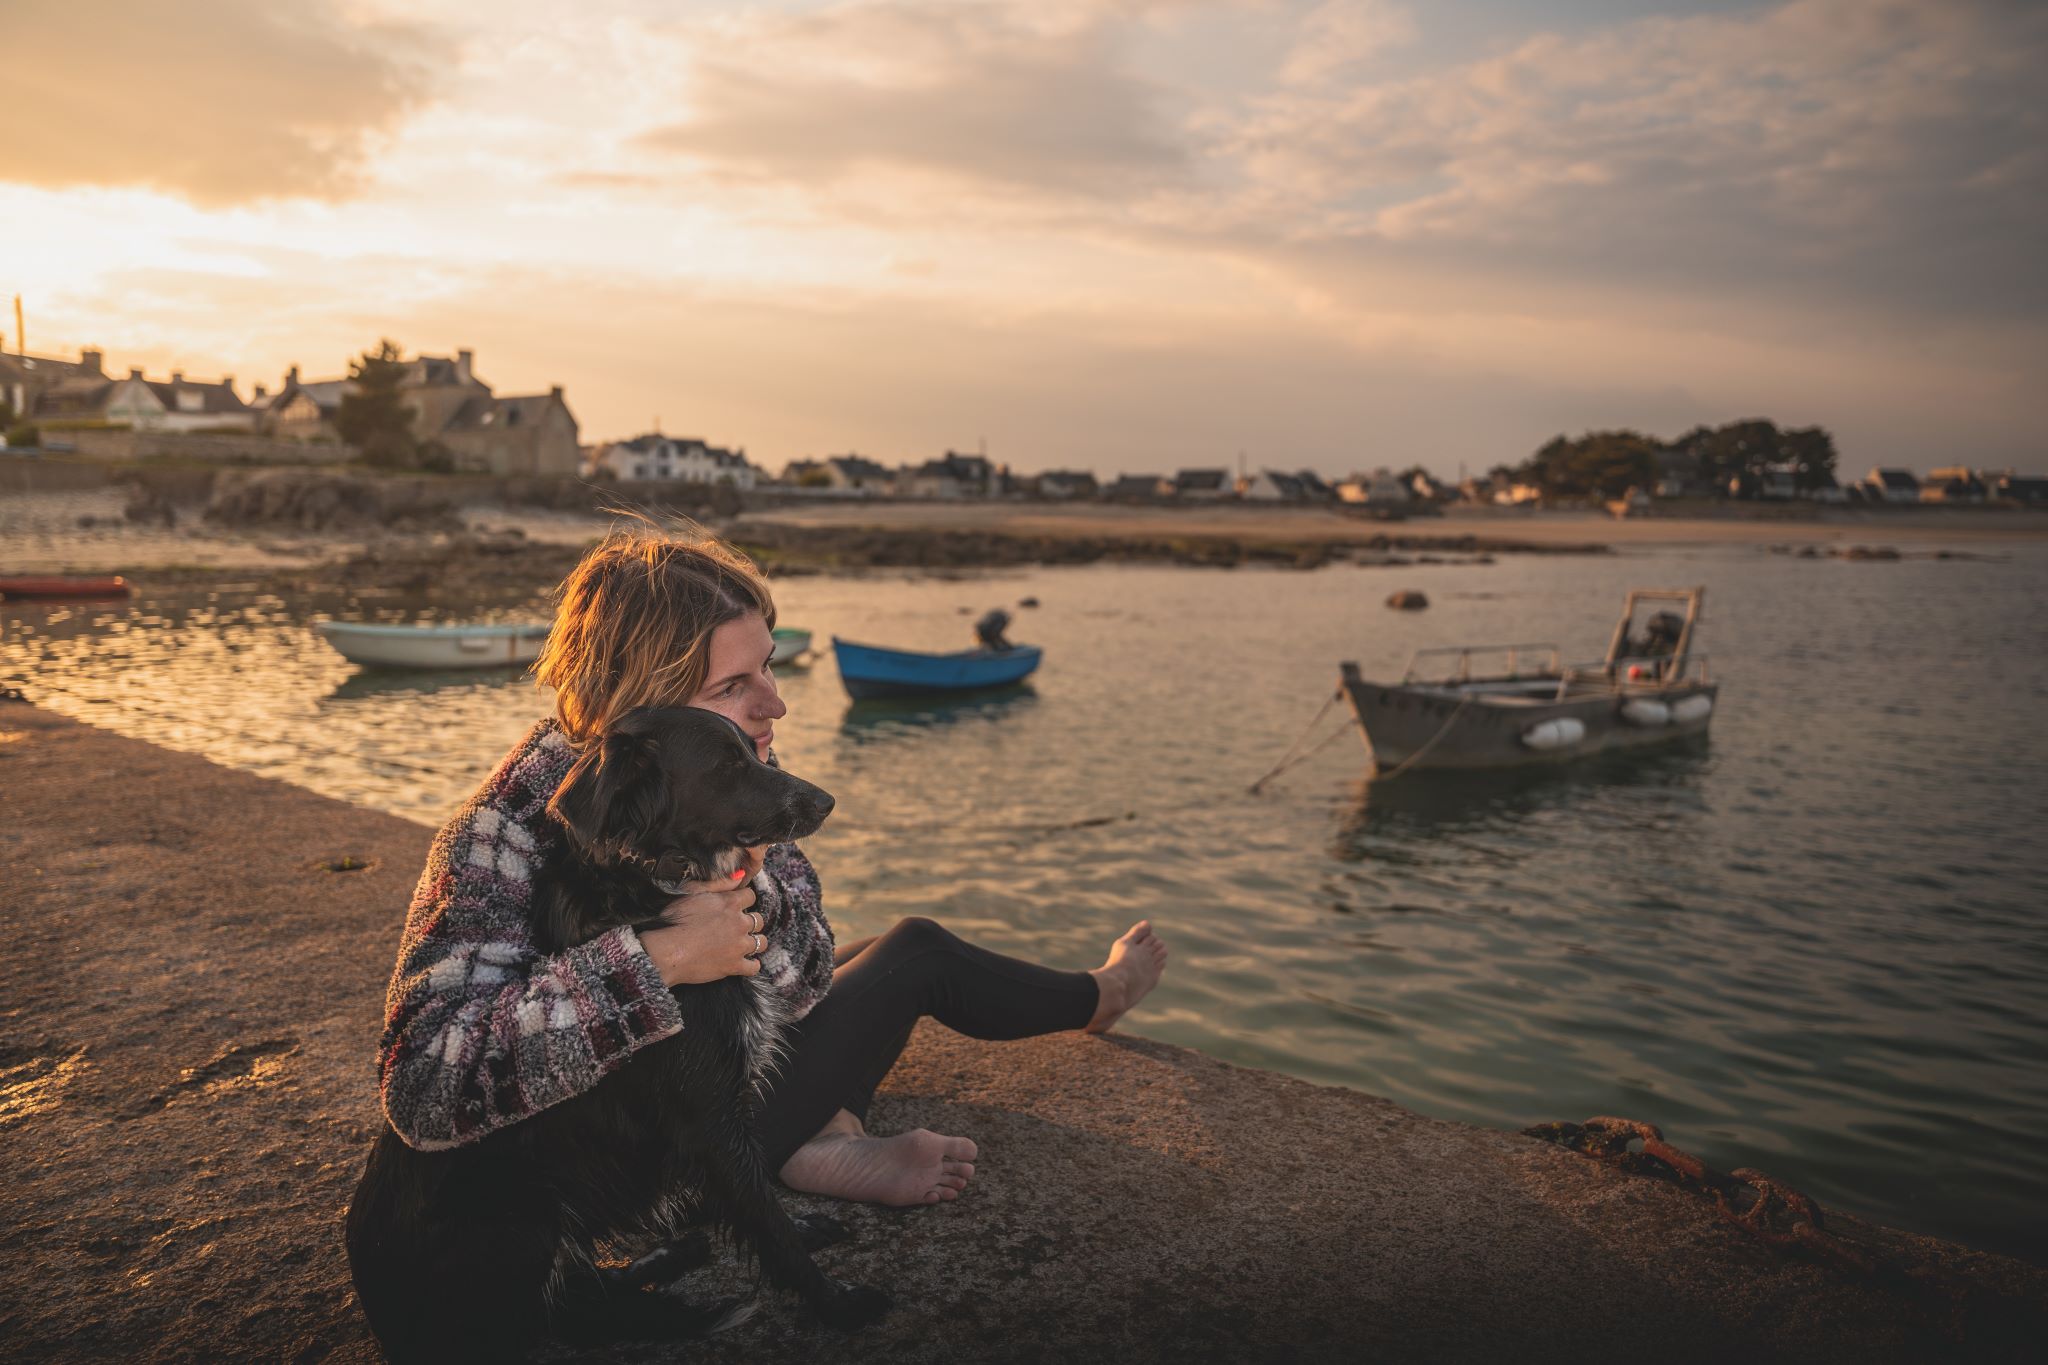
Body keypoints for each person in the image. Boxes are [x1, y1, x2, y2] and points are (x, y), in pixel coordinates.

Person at [377, 529, 1168, 1208]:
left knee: (864, 951)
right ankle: (1099, 996)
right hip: (623, 1177)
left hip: (702, 1097)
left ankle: (822, 1134)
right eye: (733, 685)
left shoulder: (719, 775)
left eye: (769, 666)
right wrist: (654, 963)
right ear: (645, 698)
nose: (774, 704)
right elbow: (422, 1090)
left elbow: (809, 971)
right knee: (917, 953)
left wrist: (745, 891)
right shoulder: (496, 834)